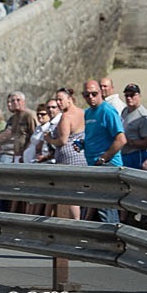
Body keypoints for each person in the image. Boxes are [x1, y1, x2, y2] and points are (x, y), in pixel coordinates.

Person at [78, 80, 126, 223]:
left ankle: (113, 238)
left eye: (94, 94)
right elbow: (95, 137)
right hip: (93, 165)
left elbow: (121, 140)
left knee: (106, 207)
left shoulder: (107, 110)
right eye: (87, 95)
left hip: (108, 165)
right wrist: (83, 144)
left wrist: (104, 158)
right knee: (99, 206)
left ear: (101, 92)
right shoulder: (88, 113)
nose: (91, 98)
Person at [45, 87, 86, 220]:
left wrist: (49, 139)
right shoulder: (83, 112)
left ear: (69, 99)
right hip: (82, 155)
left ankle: (75, 222)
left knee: (70, 195)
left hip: (69, 159)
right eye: (57, 100)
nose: (58, 103)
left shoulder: (66, 117)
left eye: (60, 99)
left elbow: (62, 140)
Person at [119, 83, 147, 169]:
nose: (129, 98)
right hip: (123, 154)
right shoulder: (125, 111)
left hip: (136, 155)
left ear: (139, 96)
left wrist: (130, 142)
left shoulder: (144, 116)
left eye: (132, 95)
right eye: (126, 95)